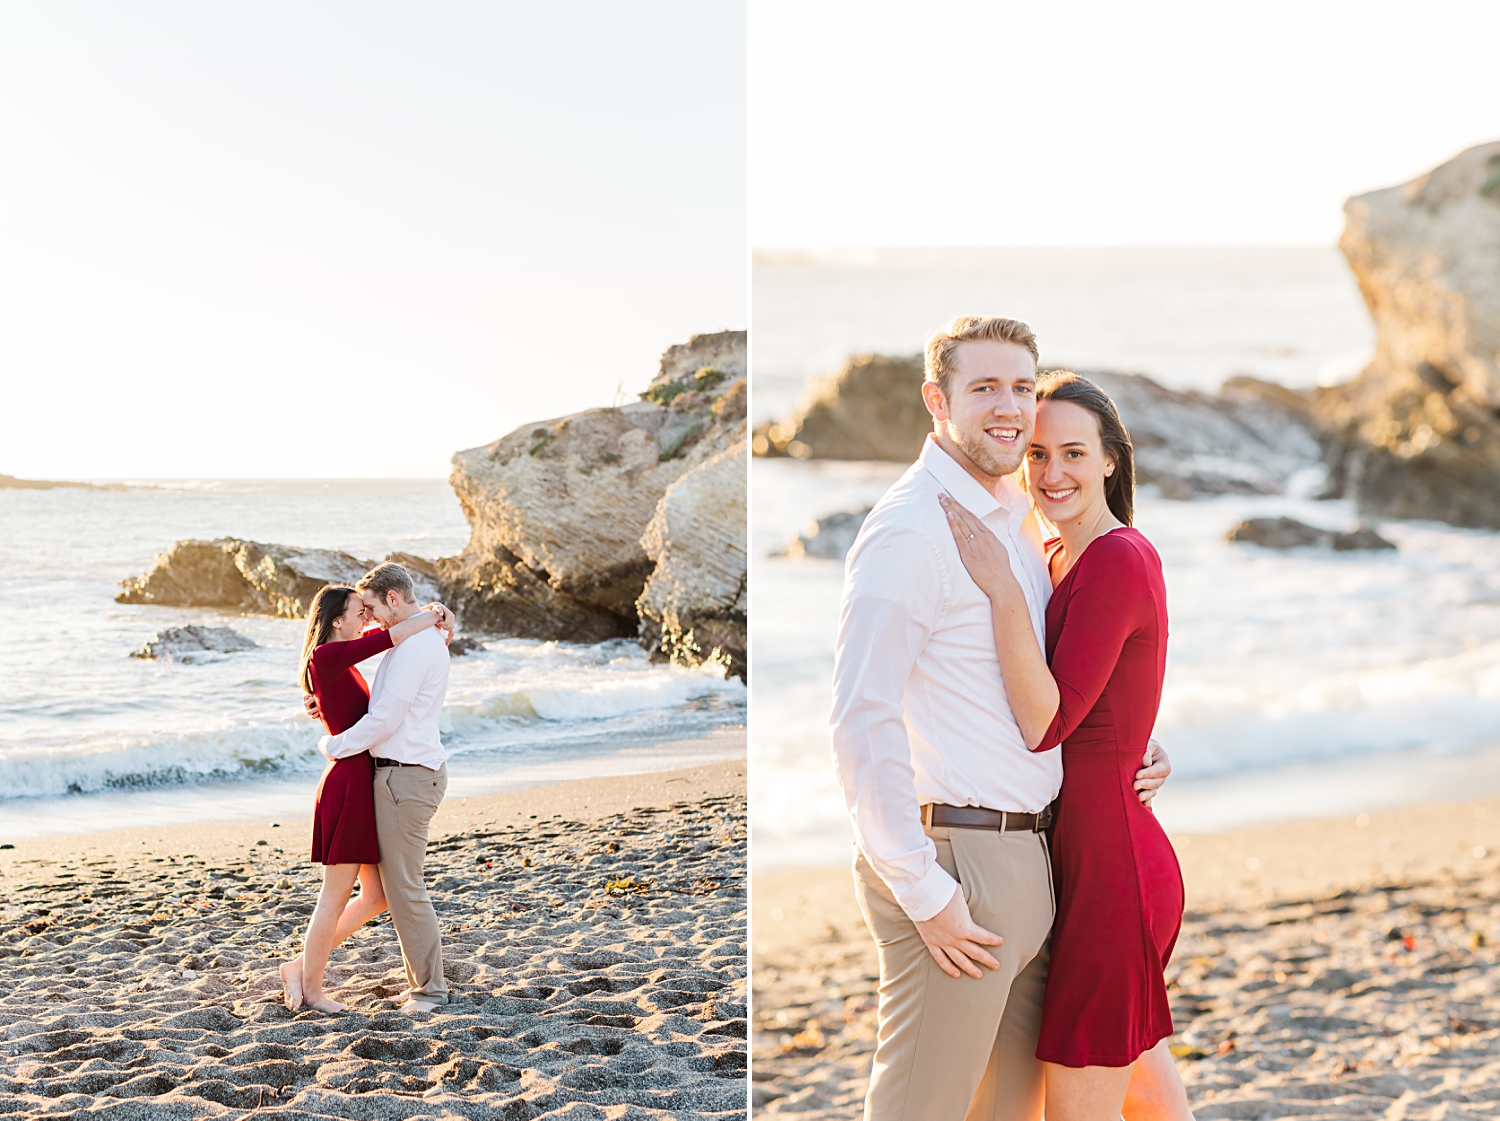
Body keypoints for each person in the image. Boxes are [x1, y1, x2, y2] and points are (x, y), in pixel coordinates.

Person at [830, 315, 1173, 1121]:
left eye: (1021, 386)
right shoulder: (913, 529)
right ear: (936, 399)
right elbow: (860, 715)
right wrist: (923, 886)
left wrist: (1130, 739)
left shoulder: (1018, 524)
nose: (1010, 408)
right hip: (963, 863)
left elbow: (1067, 680)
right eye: (984, 387)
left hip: (1039, 860)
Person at [939, 371, 1193, 1121]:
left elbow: (1048, 721)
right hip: (1083, 856)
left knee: (1075, 1104)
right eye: (1038, 453)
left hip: (1113, 869)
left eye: (1074, 453)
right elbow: (1102, 699)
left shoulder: (1115, 557)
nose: (1053, 474)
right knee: (1141, 1086)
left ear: (1111, 459)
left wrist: (1001, 592)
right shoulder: (1056, 558)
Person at [280, 582, 452, 1012]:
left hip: (361, 779)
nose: (367, 619)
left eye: (369, 609)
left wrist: (439, 620)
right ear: (337, 619)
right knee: (333, 895)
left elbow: (347, 717)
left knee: (376, 897)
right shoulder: (328, 655)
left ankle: (298, 964)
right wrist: (433, 614)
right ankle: (313, 989)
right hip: (347, 783)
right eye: (361, 611)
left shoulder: (342, 664)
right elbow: (389, 637)